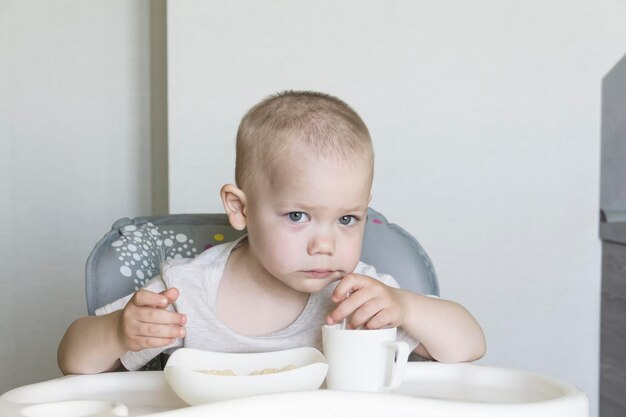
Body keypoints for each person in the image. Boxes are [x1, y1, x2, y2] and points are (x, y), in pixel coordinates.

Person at [58, 91, 485, 375]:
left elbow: (469, 345)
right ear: (240, 209)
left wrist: (406, 308)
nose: (325, 244)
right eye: (298, 216)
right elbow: (74, 363)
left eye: (348, 219)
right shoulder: (184, 292)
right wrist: (118, 331)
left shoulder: (361, 298)